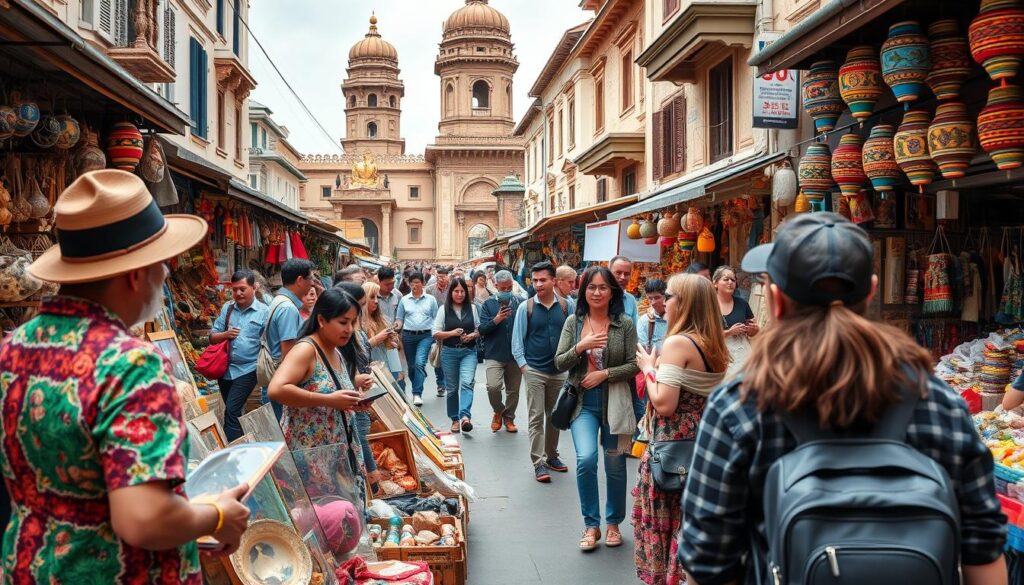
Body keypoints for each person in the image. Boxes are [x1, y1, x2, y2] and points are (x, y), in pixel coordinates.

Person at [679, 213, 1008, 585]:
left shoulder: (739, 407)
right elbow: (983, 553)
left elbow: (707, 564)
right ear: (870, 292)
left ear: (776, 300)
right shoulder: (936, 403)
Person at [0, 170, 250, 581]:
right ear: (136, 275)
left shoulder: (13, 348)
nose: (165, 277)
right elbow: (144, 520)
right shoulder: (131, 364)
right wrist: (218, 515)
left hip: (31, 566)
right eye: (162, 267)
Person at [632, 274, 729, 584]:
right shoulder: (712, 341)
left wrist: (648, 368)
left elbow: (664, 403)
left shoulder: (678, 343)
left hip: (671, 451)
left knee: (668, 524)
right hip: (703, 446)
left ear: (683, 303)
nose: (663, 301)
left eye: (668, 296)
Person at [554, 265, 639, 552]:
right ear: (582, 290)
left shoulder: (624, 323)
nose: (597, 292)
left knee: (614, 463)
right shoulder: (573, 323)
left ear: (612, 291)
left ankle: (613, 523)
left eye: (603, 287)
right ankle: (591, 524)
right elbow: (559, 362)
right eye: (592, 287)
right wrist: (581, 346)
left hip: (615, 401)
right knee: (586, 459)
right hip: (582, 404)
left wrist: (605, 374)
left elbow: (634, 363)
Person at [268, 288, 369, 503]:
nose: (349, 329)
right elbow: (276, 389)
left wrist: (352, 402)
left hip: (337, 452)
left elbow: (332, 392)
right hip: (311, 456)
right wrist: (329, 400)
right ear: (322, 320)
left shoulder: (335, 350)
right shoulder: (306, 349)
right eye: (343, 322)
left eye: (353, 322)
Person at [512, 261, 575, 483]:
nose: (538, 284)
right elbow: (517, 341)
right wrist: (524, 368)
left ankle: (552, 456)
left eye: (543, 280)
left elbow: (575, 336)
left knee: (555, 417)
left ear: (553, 281)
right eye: (535, 280)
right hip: (535, 370)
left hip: (559, 372)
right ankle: (538, 462)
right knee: (536, 417)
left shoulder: (568, 306)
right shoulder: (525, 307)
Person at [211, 269, 270, 442]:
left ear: (254, 287)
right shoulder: (227, 308)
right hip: (225, 369)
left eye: (242, 289)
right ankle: (244, 442)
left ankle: (232, 449)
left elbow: (270, 341)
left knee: (232, 410)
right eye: (234, 289)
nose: (238, 293)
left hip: (248, 369)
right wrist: (225, 335)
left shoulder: (264, 312)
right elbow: (212, 336)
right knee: (234, 412)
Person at [262, 258, 316, 419]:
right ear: (300, 280)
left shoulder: (278, 301)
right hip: (283, 382)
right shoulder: (288, 308)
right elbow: (289, 353)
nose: (312, 284)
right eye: (311, 279)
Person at [433, 277, 481, 433]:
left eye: (462, 291)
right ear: (451, 292)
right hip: (449, 352)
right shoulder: (443, 310)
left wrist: (472, 336)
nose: (460, 294)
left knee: (467, 383)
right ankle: (454, 418)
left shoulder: (472, 309)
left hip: (469, 351)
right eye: (456, 291)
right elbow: (435, 333)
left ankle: (465, 417)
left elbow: (478, 329)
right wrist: (451, 333)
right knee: (452, 388)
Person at [478, 270, 522, 433]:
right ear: (495, 286)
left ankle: (509, 419)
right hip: (494, 353)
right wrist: (497, 319)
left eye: (509, 287)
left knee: (513, 391)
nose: (506, 291)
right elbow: (482, 329)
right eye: (503, 288)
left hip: (515, 355)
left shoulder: (519, 302)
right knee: (493, 387)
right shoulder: (488, 304)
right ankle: (499, 411)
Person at [395, 271, 439, 407]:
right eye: (412, 283)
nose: (415, 285)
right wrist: (396, 326)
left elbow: (436, 318)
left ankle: (417, 393)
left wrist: (437, 335)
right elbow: (400, 318)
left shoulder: (431, 300)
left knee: (420, 363)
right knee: (412, 366)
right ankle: (418, 381)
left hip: (425, 336)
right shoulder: (404, 300)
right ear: (409, 284)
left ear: (423, 284)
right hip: (408, 336)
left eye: (417, 282)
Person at [712, 265, 759, 376]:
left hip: (742, 353)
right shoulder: (708, 304)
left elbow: (752, 332)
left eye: (733, 280)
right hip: (718, 354)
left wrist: (753, 329)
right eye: (726, 279)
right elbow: (702, 335)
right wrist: (728, 332)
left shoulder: (742, 303)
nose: (730, 282)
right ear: (715, 283)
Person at [375, 267, 406, 389]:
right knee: (383, 378)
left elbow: (399, 316)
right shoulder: (372, 296)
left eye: (392, 283)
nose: (390, 286)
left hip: (393, 341)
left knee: (398, 377)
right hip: (377, 342)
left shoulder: (397, 295)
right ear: (379, 282)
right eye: (387, 284)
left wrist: (398, 325)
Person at [426, 267, 451, 397]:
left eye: (443, 276)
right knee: (438, 355)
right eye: (438, 276)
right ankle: (441, 384)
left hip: (451, 327)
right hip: (436, 328)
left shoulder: (453, 288)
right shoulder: (429, 290)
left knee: (450, 356)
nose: (440, 279)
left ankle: (450, 382)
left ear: (448, 276)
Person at [637, 278, 668, 353]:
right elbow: (643, 351)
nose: (653, 302)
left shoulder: (677, 319)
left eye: (657, 298)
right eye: (650, 298)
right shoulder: (644, 321)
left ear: (666, 297)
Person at [609, 255, 640, 323]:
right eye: (618, 273)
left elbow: (634, 328)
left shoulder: (631, 300)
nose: (623, 277)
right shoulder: (599, 297)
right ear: (609, 273)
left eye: (627, 274)